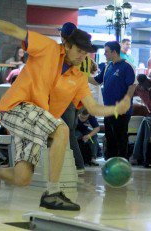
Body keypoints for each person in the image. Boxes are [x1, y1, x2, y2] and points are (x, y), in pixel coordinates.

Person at [0, 16, 130, 211]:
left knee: (22, 177)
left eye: (86, 54)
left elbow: (92, 108)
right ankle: (53, 193)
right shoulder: (47, 48)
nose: (83, 57)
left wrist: (116, 109)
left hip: (35, 120)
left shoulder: (79, 78)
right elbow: (15, 30)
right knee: (61, 129)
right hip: (15, 107)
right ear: (66, 45)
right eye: (79, 51)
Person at [59, 22, 98, 173]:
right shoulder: (87, 58)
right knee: (70, 131)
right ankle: (70, 165)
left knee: (67, 132)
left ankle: (78, 165)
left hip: (68, 98)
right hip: (79, 100)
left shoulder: (68, 53)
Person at [89, 41, 135, 160]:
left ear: (114, 52)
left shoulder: (127, 66)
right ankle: (111, 160)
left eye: (106, 52)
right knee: (110, 136)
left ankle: (122, 161)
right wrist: (80, 75)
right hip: (108, 109)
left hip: (121, 109)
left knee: (120, 136)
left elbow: (132, 86)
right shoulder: (108, 66)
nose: (105, 54)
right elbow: (97, 81)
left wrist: (126, 102)